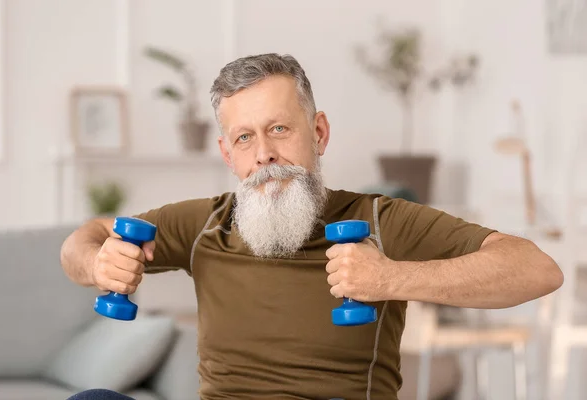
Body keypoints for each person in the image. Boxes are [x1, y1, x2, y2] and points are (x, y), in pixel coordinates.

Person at [60, 53, 563, 400]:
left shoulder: (379, 221)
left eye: (279, 128)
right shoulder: (204, 224)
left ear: (317, 132)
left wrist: (391, 279)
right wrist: (97, 261)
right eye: (244, 138)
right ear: (226, 154)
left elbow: (537, 270)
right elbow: (85, 238)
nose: (264, 155)